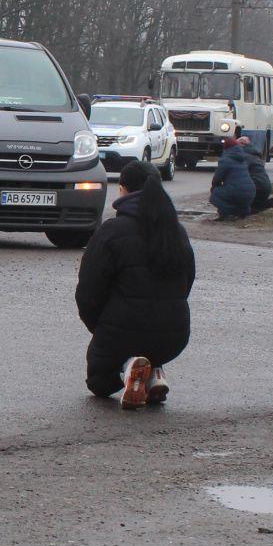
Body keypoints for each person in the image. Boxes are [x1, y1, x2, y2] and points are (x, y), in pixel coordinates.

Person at [74, 160, 195, 408]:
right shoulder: (177, 232)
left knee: (99, 382)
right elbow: (187, 283)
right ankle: (154, 373)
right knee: (148, 343)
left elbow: (88, 292)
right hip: (174, 335)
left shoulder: (112, 231)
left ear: (123, 189)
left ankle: (128, 367)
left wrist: (99, 328)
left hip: (121, 333)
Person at [209, 136, 273, 221]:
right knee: (247, 204)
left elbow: (218, 178)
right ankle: (267, 204)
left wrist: (214, 188)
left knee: (225, 197)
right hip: (262, 186)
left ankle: (231, 213)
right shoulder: (250, 154)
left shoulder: (240, 157)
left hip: (257, 186)